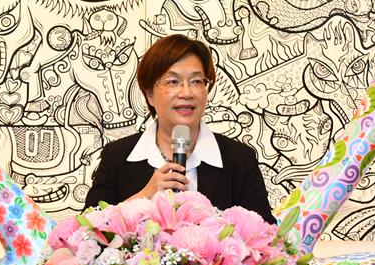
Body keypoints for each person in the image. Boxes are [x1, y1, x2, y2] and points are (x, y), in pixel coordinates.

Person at [84, 34, 274, 223]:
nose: (187, 93)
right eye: (173, 81)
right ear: (149, 94)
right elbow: (87, 229)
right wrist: (143, 197)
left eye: (197, 81)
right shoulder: (117, 157)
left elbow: (266, 233)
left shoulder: (239, 158)